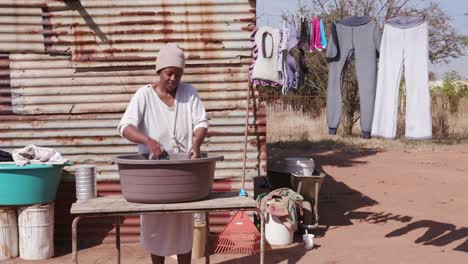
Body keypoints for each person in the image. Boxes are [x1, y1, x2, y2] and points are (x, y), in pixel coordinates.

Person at [117, 43, 209, 264]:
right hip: (153, 176)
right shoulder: (144, 96)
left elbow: (201, 122)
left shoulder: (189, 93)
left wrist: (195, 145)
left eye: (178, 74)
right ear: (159, 71)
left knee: (183, 230)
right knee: (155, 228)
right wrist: (147, 141)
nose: (173, 79)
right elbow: (125, 127)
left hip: (183, 174)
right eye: (169, 73)